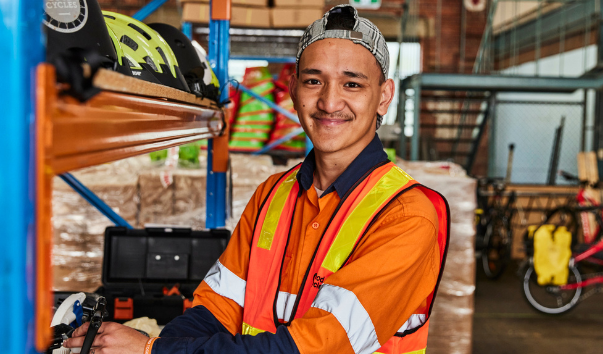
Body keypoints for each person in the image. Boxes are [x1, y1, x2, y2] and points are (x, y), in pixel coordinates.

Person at [64, 5, 450, 354]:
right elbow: (216, 308)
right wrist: (147, 344)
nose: (330, 103)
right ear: (295, 89)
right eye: (314, 81)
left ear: (384, 97)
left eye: (352, 84)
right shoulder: (273, 195)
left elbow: (315, 347)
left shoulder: (405, 215)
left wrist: (152, 352)